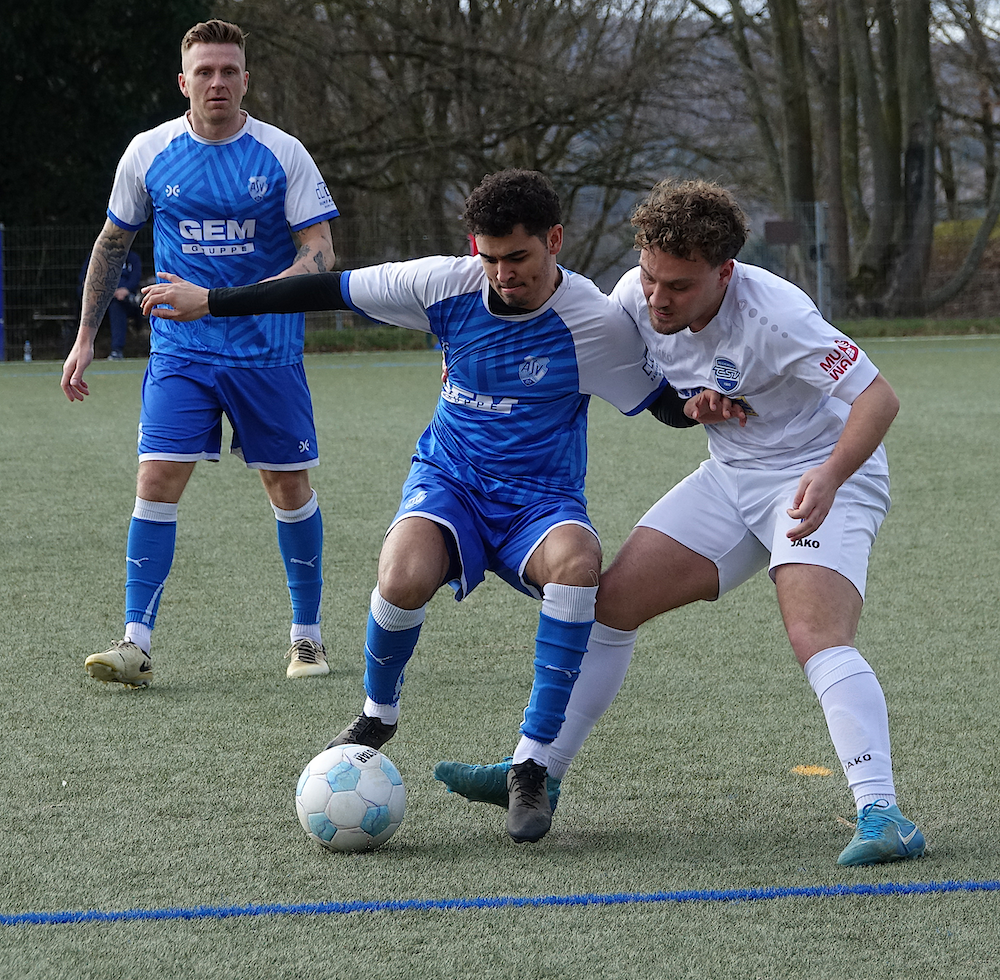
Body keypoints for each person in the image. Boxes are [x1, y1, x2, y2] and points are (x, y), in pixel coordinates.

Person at [139, 168, 737, 844]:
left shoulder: (594, 323)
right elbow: (325, 288)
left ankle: (532, 765)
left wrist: (707, 402)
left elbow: (662, 405)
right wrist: (211, 301)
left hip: (539, 501)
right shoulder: (442, 285)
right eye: (490, 257)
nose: (503, 274)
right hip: (449, 481)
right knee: (400, 575)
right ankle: (378, 714)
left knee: (579, 566)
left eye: (519, 257)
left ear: (554, 241)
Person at [435, 177, 925, 867]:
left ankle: (883, 813)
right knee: (609, 605)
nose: (657, 298)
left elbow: (878, 398)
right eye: (649, 276)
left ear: (724, 273)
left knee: (815, 633)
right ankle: (535, 771)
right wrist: (694, 406)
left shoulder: (778, 316)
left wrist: (831, 475)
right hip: (731, 475)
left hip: (818, 473)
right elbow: (621, 372)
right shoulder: (632, 297)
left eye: (679, 286)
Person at [60, 19, 340, 686]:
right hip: (181, 352)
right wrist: (86, 334)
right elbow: (112, 243)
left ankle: (307, 639)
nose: (218, 82)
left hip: (266, 352)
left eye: (229, 71)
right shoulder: (148, 152)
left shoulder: (282, 154)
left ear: (246, 80)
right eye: (205, 71)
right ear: (183, 82)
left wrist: (220, 299)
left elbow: (321, 253)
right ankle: (135, 642)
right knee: (156, 480)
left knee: (288, 487)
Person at [78, 249, 143, 359]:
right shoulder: (96, 256)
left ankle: (117, 350)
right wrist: (104, 292)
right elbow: (84, 280)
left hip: (123, 301)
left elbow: (135, 278)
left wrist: (126, 290)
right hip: (98, 301)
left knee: (116, 305)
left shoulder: (132, 258)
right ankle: (82, 349)